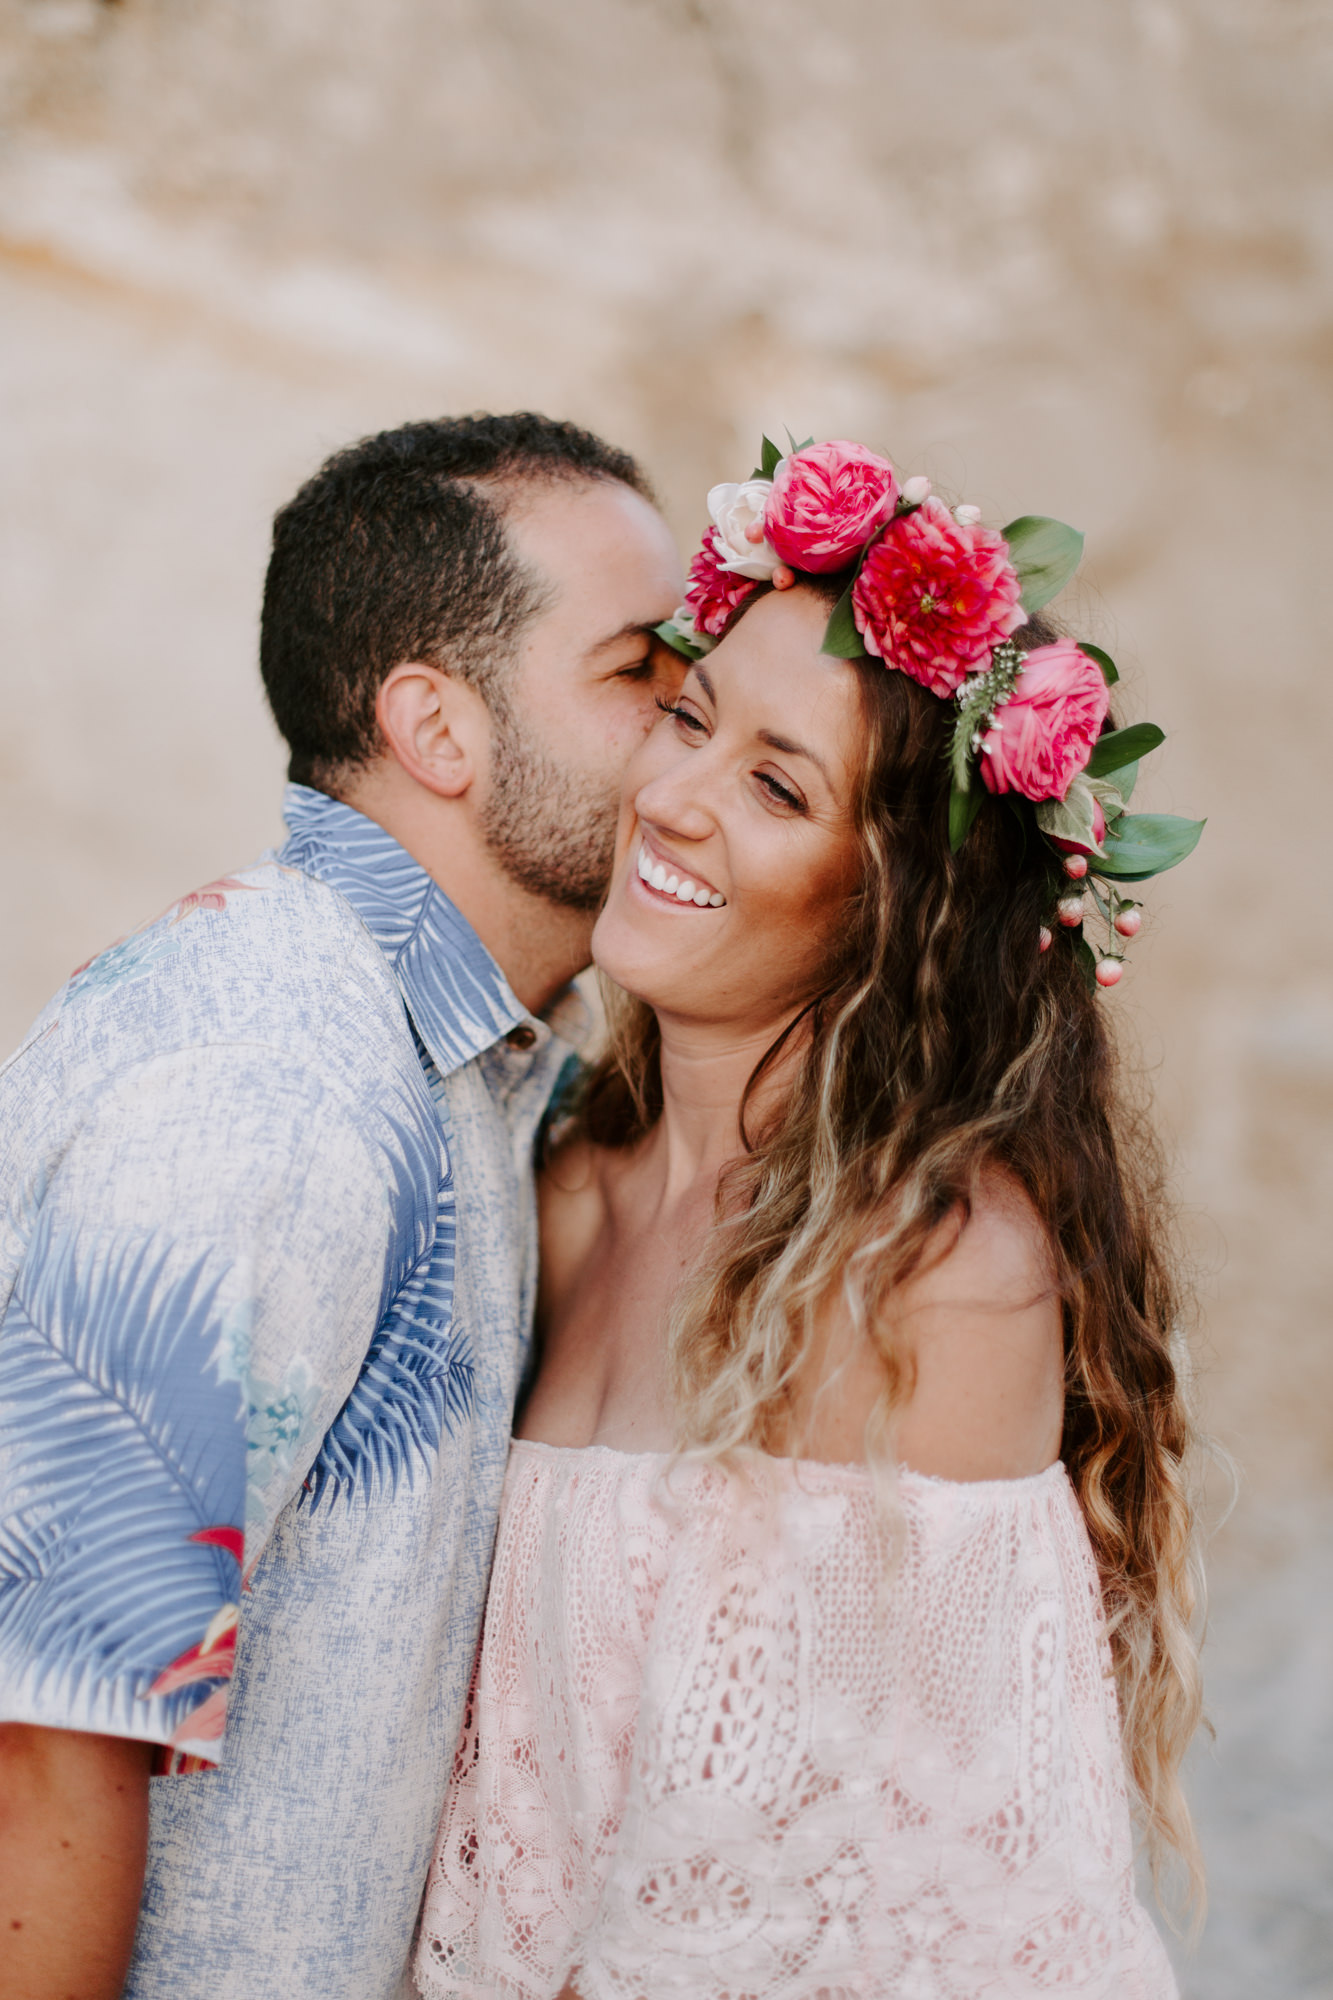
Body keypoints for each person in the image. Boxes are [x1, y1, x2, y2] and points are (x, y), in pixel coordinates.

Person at [415, 439, 1205, 1998]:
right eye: (689, 718)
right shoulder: (568, 1182)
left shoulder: (927, 1269)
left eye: (777, 786)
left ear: (891, 900)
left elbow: (821, 1918)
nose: (675, 798)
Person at [0, 412, 684, 2000]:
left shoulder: (474, 1071)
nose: (687, 729)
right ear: (437, 729)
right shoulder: (270, 1077)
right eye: (636, 671)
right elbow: (46, 1729)